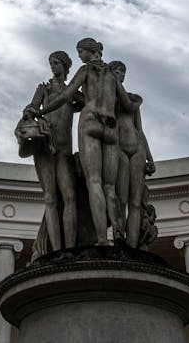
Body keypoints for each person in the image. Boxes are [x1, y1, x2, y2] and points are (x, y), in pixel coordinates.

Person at [39, 38, 136, 245]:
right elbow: (127, 104)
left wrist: (41, 111)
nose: (80, 56)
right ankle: (119, 235)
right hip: (111, 128)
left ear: (89, 52)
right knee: (110, 186)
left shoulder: (85, 71)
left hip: (90, 122)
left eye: (80, 52)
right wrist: (138, 102)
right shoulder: (112, 75)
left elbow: (66, 96)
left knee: (94, 182)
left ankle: (102, 239)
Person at [19, 51, 78, 251]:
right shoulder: (43, 89)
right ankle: (56, 250)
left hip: (65, 149)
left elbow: (90, 104)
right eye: (51, 63)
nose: (53, 66)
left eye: (56, 63)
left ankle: (69, 249)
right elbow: (30, 109)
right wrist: (30, 112)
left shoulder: (72, 91)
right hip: (46, 146)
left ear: (65, 66)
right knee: (51, 198)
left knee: (69, 196)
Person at [110, 60, 155, 248]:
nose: (121, 74)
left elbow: (140, 129)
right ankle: (120, 240)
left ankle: (133, 245)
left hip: (137, 148)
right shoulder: (107, 99)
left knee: (135, 202)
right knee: (120, 198)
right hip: (118, 147)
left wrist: (150, 157)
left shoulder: (132, 98)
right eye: (118, 71)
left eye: (123, 72)